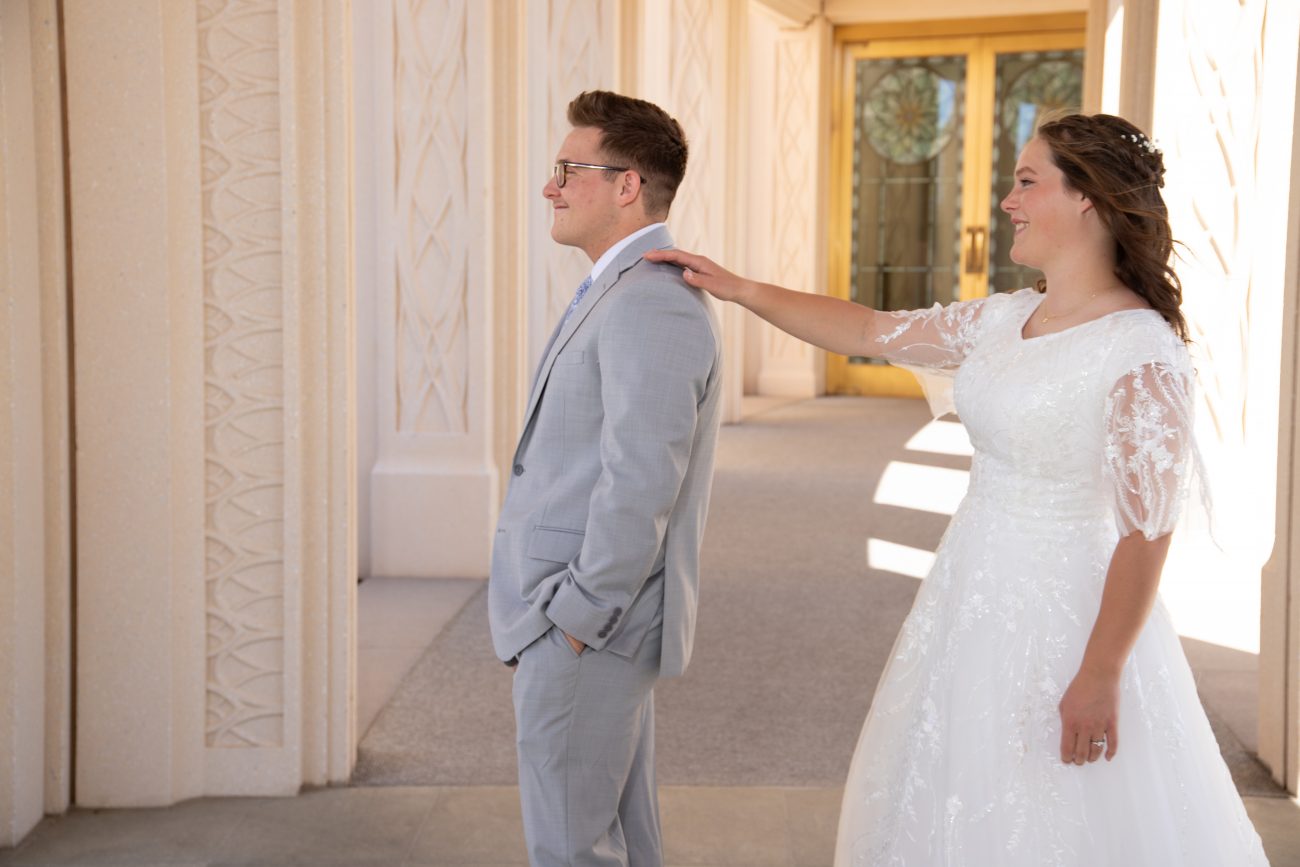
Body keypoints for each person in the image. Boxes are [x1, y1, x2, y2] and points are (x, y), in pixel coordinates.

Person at [646, 112, 1269, 865]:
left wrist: (1101, 671)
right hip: (969, 584)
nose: (1007, 200)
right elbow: (869, 330)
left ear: (1089, 201)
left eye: (1027, 181)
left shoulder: (1141, 350)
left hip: (1063, 611)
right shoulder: (1006, 317)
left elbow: (1147, 530)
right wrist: (741, 288)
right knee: (950, 782)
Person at [488, 90, 723, 867]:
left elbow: (642, 479)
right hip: (583, 617)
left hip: (592, 622)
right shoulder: (620, 287)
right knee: (617, 835)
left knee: (571, 844)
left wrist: (580, 616)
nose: (551, 187)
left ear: (627, 185)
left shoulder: (652, 301)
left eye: (568, 169)